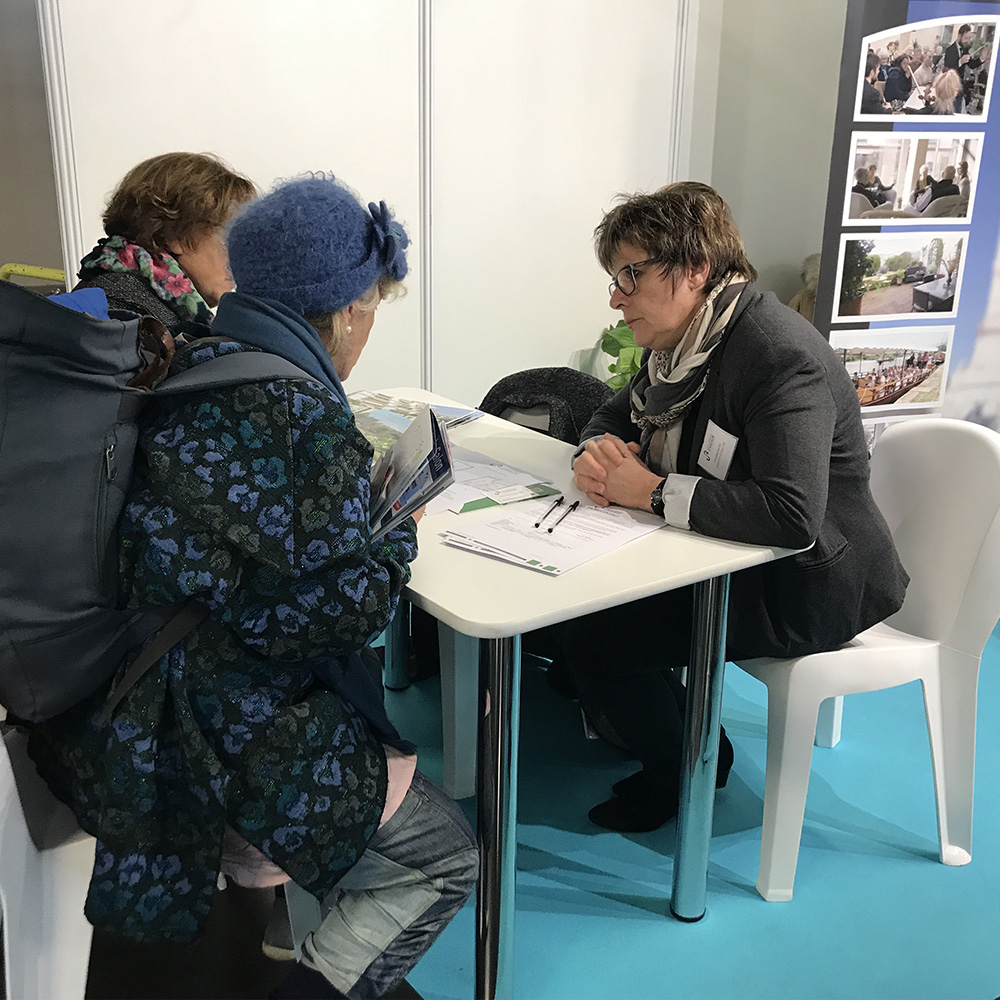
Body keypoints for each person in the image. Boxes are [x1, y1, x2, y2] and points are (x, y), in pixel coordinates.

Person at [27, 174, 478, 1000]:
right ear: (345, 310)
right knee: (445, 860)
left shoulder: (194, 355)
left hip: (128, 698)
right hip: (210, 731)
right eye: (373, 308)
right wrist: (394, 533)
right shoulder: (298, 414)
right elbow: (340, 616)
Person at [562, 182, 908, 833]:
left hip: (811, 581)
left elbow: (791, 514)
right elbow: (612, 412)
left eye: (630, 276)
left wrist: (652, 491)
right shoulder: (683, 345)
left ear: (695, 269)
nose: (616, 297)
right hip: (726, 549)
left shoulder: (777, 355)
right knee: (577, 613)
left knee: (597, 635)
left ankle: (685, 769)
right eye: (616, 279)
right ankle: (668, 729)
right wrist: (598, 449)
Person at [76, 152, 256, 324]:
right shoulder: (128, 314)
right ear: (174, 235)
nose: (239, 257)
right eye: (230, 238)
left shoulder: (119, 296)